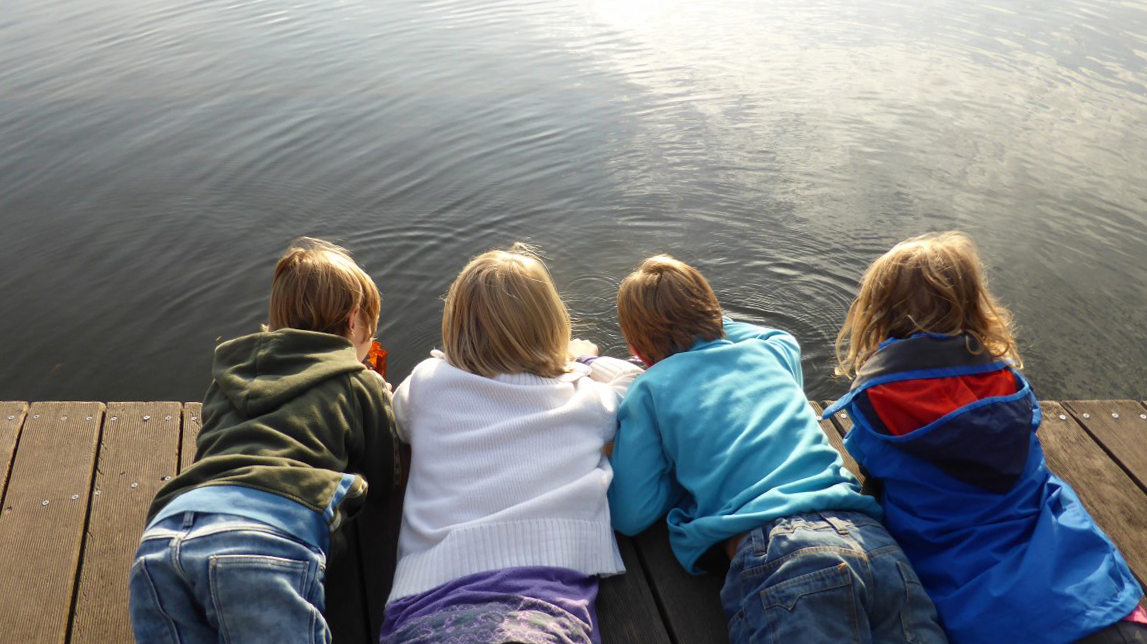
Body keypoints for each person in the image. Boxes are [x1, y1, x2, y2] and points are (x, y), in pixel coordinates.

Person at [824, 231, 1147, 644]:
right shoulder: (1007, 384)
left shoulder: (875, 401)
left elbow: (876, 472)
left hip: (990, 611)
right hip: (1093, 597)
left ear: (877, 314)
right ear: (975, 306)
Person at [607, 255, 948, 644]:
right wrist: (706, 325)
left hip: (781, 553)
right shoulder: (771, 354)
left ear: (636, 350)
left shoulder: (649, 389)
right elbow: (779, 336)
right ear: (715, 315)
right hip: (873, 542)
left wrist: (680, 471)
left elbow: (630, 514)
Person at [129, 238, 398, 644]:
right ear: (355, 322)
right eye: (370, 338)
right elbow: (384, 478)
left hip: (167, 535)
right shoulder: (355, 379)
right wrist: (381, 398)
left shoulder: (230, 378)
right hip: (263, 541)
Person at [380, 244, 642, 644]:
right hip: (543, 602)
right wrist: (583, 361)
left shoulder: (427, 383)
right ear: (552, 323)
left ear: (456, 325)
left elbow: (398, 419)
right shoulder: (583, 399)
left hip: (427, 606)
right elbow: (637, 383)